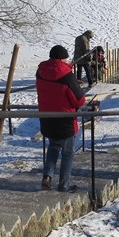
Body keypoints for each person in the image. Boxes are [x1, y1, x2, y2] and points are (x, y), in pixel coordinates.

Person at [36, 45, 87, 192]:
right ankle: (64, 185)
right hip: (65, 120)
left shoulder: (40, 71)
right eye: (66, 58)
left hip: (46, 118)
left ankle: (47, 176)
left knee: (53, 146)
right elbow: (79, 100)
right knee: (68, 153)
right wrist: (77, 87)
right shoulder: (67, 75)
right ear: (62, 59)